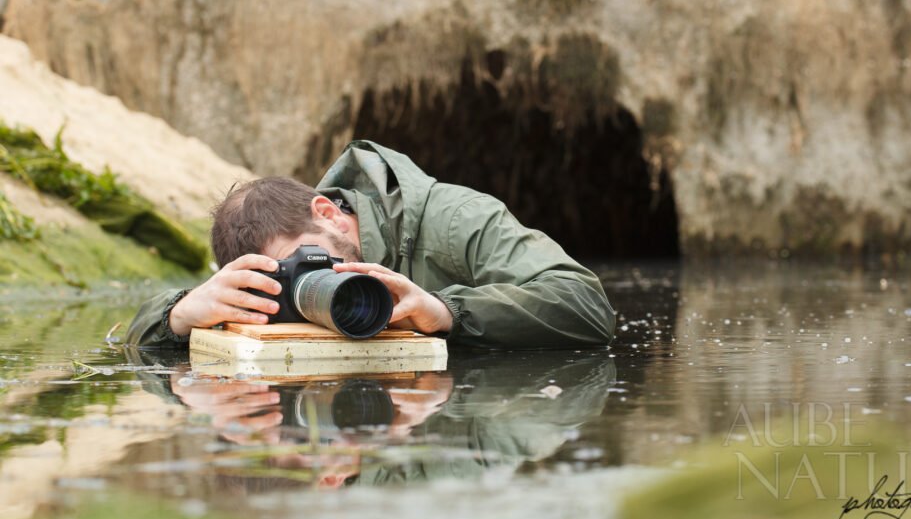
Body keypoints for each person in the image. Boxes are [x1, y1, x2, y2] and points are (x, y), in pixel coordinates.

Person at [126, 140, 615, 348]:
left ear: (328, 212)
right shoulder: (272, 265)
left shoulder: (454, 218)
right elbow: (129, 336)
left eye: (313, 263)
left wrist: (444, 313)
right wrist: (179, 316)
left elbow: (587, 305)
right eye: (289, 276)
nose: (311, 282)